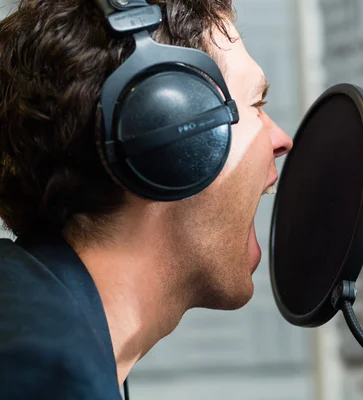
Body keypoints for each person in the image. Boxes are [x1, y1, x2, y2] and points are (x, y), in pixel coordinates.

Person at [0, 0, 293, 398]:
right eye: (256, 104)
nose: (281, 140)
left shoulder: (47, 331)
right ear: (167, 127)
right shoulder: (46, 375)